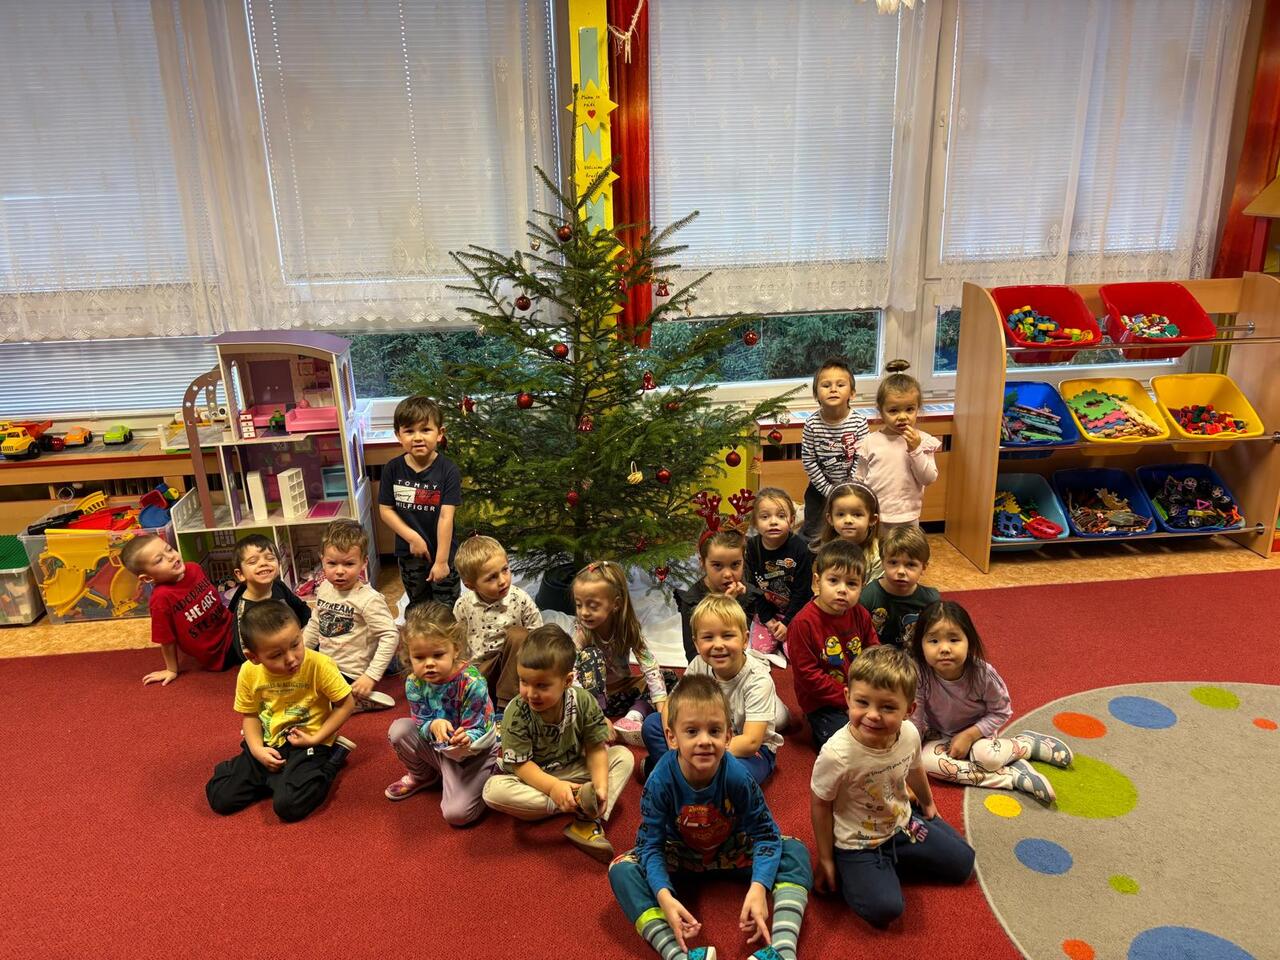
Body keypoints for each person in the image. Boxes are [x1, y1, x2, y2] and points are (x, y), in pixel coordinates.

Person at [609, 674, 811, 960]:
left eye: (714, 731)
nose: (704, 741)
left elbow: (766, 834)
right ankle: (677, 954)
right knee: (622, 870)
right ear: (672, 737)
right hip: (681, 855)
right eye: (692, 731)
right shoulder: (660, 780)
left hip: (731, 850)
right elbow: (650, 845)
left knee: (794, 850)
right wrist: (664, 895)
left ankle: (782, 950)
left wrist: (759, 886)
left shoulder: (737, 775)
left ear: (728, 736)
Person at [810, 645, 975, 928]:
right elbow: (820, 804)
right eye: (862, 702)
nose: (873, 715)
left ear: (909, 710)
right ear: (847, 698)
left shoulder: (909, 733)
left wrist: (928, 803)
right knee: (886, 908)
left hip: (902, 825)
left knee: (964, 863)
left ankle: (892, 861)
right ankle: (861, 869)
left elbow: (915, 768)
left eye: (887, 707)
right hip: (857, 844)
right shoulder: (836, 754)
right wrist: (825, 859)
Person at [482, 624, 635, 861]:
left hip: (574, 769)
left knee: (623, 757)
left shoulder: (583, 701)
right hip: (536, 780)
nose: (530, 693)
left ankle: (588, 816)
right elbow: (522, 766)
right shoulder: (516, 711)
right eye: (524, 681)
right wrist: (554, 788)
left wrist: (601, 787)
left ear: (567, 681)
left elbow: (595, 748)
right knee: (492, 791)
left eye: (542, 685)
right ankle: (578, 803)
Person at [205, 601, 356, 822]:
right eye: (276, 655)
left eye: (296, 644)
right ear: (253, 657)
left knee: (288, 806)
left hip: (308, 742)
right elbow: (250, 716)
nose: (291, 658)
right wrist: (257, 750)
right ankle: (280, 780)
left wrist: (316, 738)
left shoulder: (320, 664)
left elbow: (346, 704)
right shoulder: (248, 672)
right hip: (269, 742)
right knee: (220, 796)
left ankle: (331, 762)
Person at [910, 600, 1073, 804]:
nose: (944, 648)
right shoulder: (920, 673)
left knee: (987, 758)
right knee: (926, 763)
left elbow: (1001, 711)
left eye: (954, 639)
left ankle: (1026, 744)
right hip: (940, 734)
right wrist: (906, 755)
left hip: (979, 733)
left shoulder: (982, 674)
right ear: (921, 645)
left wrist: (970, 735)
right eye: (933, 641)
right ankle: (1011, 776)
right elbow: (915, 719)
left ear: (969, 642)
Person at [641, 595, 786, 785]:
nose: (718, 645)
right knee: (652, 724)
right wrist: (681, 747)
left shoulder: (758, 679)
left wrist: (696, 752)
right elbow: (671, 705)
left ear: (745, 639)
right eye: (708, 637)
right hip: (699, 739)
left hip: (748, 752)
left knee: (737, 776)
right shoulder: (699, 665)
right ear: (696, 644)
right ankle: (686, 776)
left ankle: (675, 774)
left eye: (727, 636)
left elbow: (751, 742)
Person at [385, 601, 498, 826]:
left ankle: (491, 773)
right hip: (441, 748)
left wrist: (466, 737)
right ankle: (424, 776)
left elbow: (480, 727)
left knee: (457, 815)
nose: (429, 664)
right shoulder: (414, 682)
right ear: (409, 656)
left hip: (473, 755)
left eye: (438, 655)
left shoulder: (472, 682)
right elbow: (421, 721)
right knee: (399, 730)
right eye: (419, 658)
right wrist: (432, 725)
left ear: (455, 649)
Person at [787, 540, 879, 751]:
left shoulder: (861, 614)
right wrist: (848, 700)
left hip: (861, 694)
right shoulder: (802, 624)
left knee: (888, 727)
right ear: (817, 581)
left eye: (852, 584)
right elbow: (809, 677)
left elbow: (873, 653)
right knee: (846, 745)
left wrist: (867, 694)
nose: (842, 590)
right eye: (833, 581)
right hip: (822, 703)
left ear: (863, 586)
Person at [573, 560, 677, 745]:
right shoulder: (582, 634)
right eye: (579, 605)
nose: (584, 613)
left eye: (592, 606)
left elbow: (650, 666)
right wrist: (596, 714)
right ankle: (596, 722)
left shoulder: (627, 628)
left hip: (622, 694)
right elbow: (571, 673)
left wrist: (662, 712)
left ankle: (633, 716)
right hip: (591, 701)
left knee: (667, 678)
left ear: (616, 604)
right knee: (590, 656)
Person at [303, 519, 400, 710]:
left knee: (315, 706)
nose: (339, 571)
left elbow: (390, 635)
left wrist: (370, 676)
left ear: (363, 563)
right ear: (322, 559)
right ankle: (347, 701)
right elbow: (315, 624)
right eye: (332, 563)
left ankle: (356, 701)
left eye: (348, 564)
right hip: (325, 664)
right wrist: (300, 652)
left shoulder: (369, 599)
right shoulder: (324, 588)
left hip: (351, 673)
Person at [123, 533, 240, 686]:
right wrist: (171, 669)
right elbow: (166, 639)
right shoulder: (161, 599)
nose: (171, 557)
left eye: (169, 550)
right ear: (147, 578)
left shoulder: (194, 568)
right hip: (220, 652)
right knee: (265, 635)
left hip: (232, 624)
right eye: (159, 560)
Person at [377, 395, 461, 606]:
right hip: (410, 554)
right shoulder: (392, 469)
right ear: (398, 435)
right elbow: (386, 510)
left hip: (443, 552)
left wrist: (441, 561)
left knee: (446, 607)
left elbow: (446, 516)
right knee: (418, 606)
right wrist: (412, 537)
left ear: (440, 434)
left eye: (425, 430)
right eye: (409, 431)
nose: (417, 437)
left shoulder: (448, 470)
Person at [452, 535, 543, 710]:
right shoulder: (463, 606)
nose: (502, 580)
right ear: (471, 585)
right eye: (491, 578)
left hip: (516, 671)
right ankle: (480, 705)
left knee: (519, 635)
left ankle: (506, 706)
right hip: (481, 670)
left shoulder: (520, 598)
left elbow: (538, 634)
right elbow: (457, 644)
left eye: (505, 570)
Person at [856, 360, 941, 532]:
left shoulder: (923, 441)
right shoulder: (869, 442)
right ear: (881, 411)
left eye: (909, 409)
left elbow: (928, 478)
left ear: (918, 409)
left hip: (908, 516)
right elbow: (859, 480)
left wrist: (915, 449)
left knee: (906, 550)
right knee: (876, 550)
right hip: (875, 516)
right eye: (893, 410)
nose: (902, 417)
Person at [800, 356, 869, 541]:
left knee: (850, 529)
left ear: (852, 393)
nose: (833, 389)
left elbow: (862, 457)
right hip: (819, 489)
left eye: (840, 385)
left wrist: (848, 485)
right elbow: (809, 460)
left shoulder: (859, 422)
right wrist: (827, 489)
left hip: (852, 486)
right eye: (826, 385)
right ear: (816, 395)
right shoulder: (812, 424)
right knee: (813, 533)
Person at [673, 530, 765, 665]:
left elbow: (746, 639)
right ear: (703, 563)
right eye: (717, 565)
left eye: (735, 564)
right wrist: (728, 605)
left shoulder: (747, 592)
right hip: (708, 667)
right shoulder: (692, 601)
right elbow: (693, 654)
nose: (727, 574)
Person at [744, 487, 812, 658]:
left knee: (795, 654)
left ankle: (786, 637)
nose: (773, 522)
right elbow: (753, 588)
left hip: (797, 611)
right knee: (760, 650)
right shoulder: (752, 547)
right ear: (755, 522)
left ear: (792, 519)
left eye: (781, 516)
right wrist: (768, 620)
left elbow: (802, 592)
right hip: (767, 611)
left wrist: (787, 623)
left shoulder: (800, 548)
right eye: (765, 517)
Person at [227, 534, 311, 658]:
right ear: (240, 574)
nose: (263, 563)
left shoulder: (278, 585)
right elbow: (244, 653)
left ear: (279, 564)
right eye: (253, 561)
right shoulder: (243, 611)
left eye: (270, 558)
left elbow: (303, 610)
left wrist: (303, 635)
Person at [857, 525, 939, 650]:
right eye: (893, 562)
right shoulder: (868, 596)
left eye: (910, 564)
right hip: (877, 658)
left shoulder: (931, 600)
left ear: (923, 567)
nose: (901, 571)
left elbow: (936, 639)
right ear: (883, 562)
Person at [815, 481, 883, 584]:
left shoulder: (879, 555)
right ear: (830, 519)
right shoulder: (827, 549)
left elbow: (875, 590)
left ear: (872, 519)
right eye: (841, 514)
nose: (848, 520)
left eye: (857, 515)